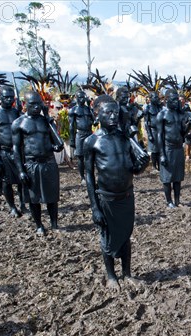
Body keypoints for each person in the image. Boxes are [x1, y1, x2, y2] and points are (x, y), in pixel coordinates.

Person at [84, 95, 150, 288]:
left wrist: (142, 166)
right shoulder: (92, 141)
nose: (113, 116)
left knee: (125, 235)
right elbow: (89, 176)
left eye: (116, 113)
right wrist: (95, 207)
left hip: (126, 196)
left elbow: (134, 170)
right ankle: (111, 276)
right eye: (108, 113)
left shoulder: (124, 139)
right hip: (106, 198)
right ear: (98, 115)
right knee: (107, 238)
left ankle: (127, 273)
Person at [12, 92, 64, 235]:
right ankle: (39, 225)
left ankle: (54, 223)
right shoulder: (19, 123)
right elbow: (16, 148)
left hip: (49, 162)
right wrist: (20, 170)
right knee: (34, 198)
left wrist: (48, 118)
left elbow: (58, 144)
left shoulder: (45, 121)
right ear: (25, 104)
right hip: (31, 164)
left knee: (52, 196)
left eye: (38, 104)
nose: (36, 107)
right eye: (32, 104)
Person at [0, 86, 27, 217]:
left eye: (12, 97)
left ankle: (23, 203)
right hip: (3, 152)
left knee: (22, 180)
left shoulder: (16, 113)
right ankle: (12, 206)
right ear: (0, 98)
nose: (9, 100)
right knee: (6, 181)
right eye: (6, 97)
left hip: (18, 152)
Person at [157, 90, 191, 208]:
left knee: (177, 177)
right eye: (173, 99)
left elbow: (183, 133)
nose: (176, 102)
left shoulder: (179, 114)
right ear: (167, 100)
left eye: (177, 99)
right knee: (167, 178)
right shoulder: (162, 115)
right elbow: (159, 136)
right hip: (167, 149)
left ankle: (177, 200)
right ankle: (169, 201)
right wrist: (162, 154)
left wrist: (189, 124)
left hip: (178, 149)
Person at [68, 90, 94, 183]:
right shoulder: (73, 110)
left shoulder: (88, 109)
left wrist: (90, 107)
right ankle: (82, 176)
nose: (83, 99)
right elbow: (71, 126)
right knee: (80, 156)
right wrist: (72, 139)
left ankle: (90, 175)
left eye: (84, 97)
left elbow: (94, 121)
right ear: (77, 98)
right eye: (80, 97)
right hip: (80, 134)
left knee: (90, 156)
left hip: (89, 133)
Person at [143, 91, 163, 171]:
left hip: (160, 130)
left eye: (157, 97)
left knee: (159, 149)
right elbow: (146, 122)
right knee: (154, 150)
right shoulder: (147, 108)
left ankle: (159, 166)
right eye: (155, 97)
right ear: (150, 98)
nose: (157, 99)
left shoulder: (159, 107)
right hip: (153, 130)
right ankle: (154, 166)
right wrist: (149, 134)